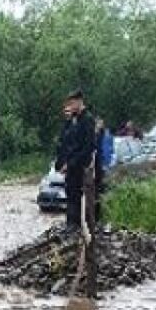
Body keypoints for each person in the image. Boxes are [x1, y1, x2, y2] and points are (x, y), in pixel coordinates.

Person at [55, 90, 96, 231]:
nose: (70, 107)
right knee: (71, 194)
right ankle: (71, 224)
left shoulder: (87, 119)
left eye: (72, 104)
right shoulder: (74, 120)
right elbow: (66, 144)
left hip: (82, 166)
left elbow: (88, 146)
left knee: (81, 198)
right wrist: (62, 163)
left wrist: (71, 163)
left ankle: (80, 226)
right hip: (72, 165)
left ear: (79, 102)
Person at [94, 117, 114, 222]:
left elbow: (109, 151)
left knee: (101, 191)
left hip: (102, 167)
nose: (99, 125)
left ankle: (101, 215)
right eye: (97, 123)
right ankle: (95, 216)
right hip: (95, 167)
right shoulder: (93, 135)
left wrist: (107, 164)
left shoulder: (106, 136)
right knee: (96, 192)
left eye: (100, 123)